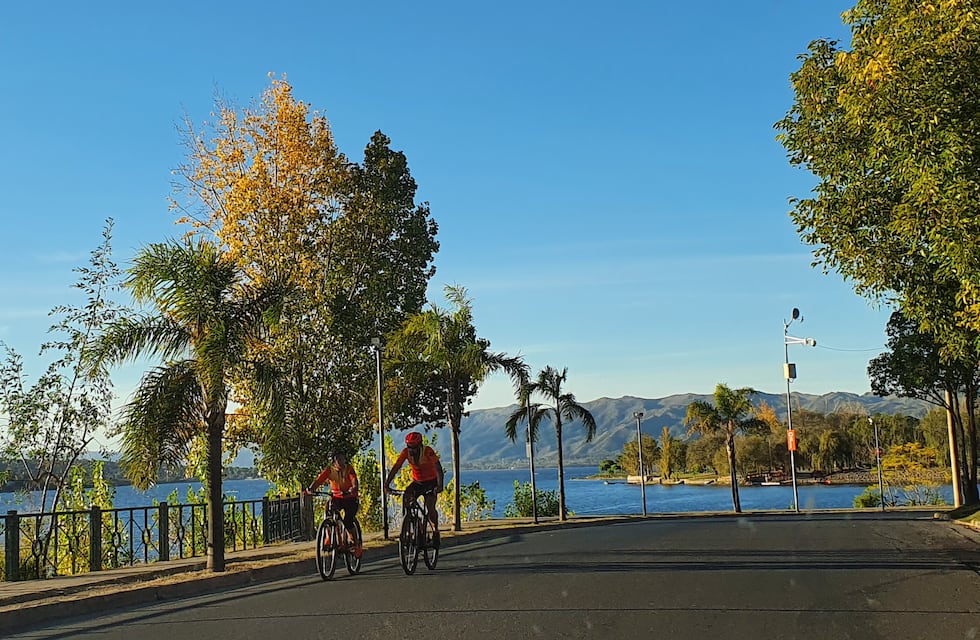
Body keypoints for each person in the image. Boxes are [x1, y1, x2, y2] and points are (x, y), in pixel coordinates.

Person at [384, 431, 444, 547]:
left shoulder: (428, 451)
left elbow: (438, 468)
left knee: (430, 507)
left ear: (420, 445)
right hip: (417, 482)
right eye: (409, 447)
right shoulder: (406, 452)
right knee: (407, 499)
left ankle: (435, 531)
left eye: (414, 447)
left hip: (431, 482)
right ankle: (415, 526)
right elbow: (396, 467)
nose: (411, 450)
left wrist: (439, 485)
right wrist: (386, 484)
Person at [307, 450, 361, 556]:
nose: (341, 462)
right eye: (338, 459)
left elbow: (354, 481)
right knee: (328, 512)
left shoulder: (349, 469)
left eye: (342, 459)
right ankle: (329, 536)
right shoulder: (329, 470)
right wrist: (311, 489)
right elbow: (319, 480)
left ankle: (355, 543)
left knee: (348, 521)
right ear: (333, 462)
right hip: (337, 497)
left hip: (350, 498)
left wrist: (353, 489)